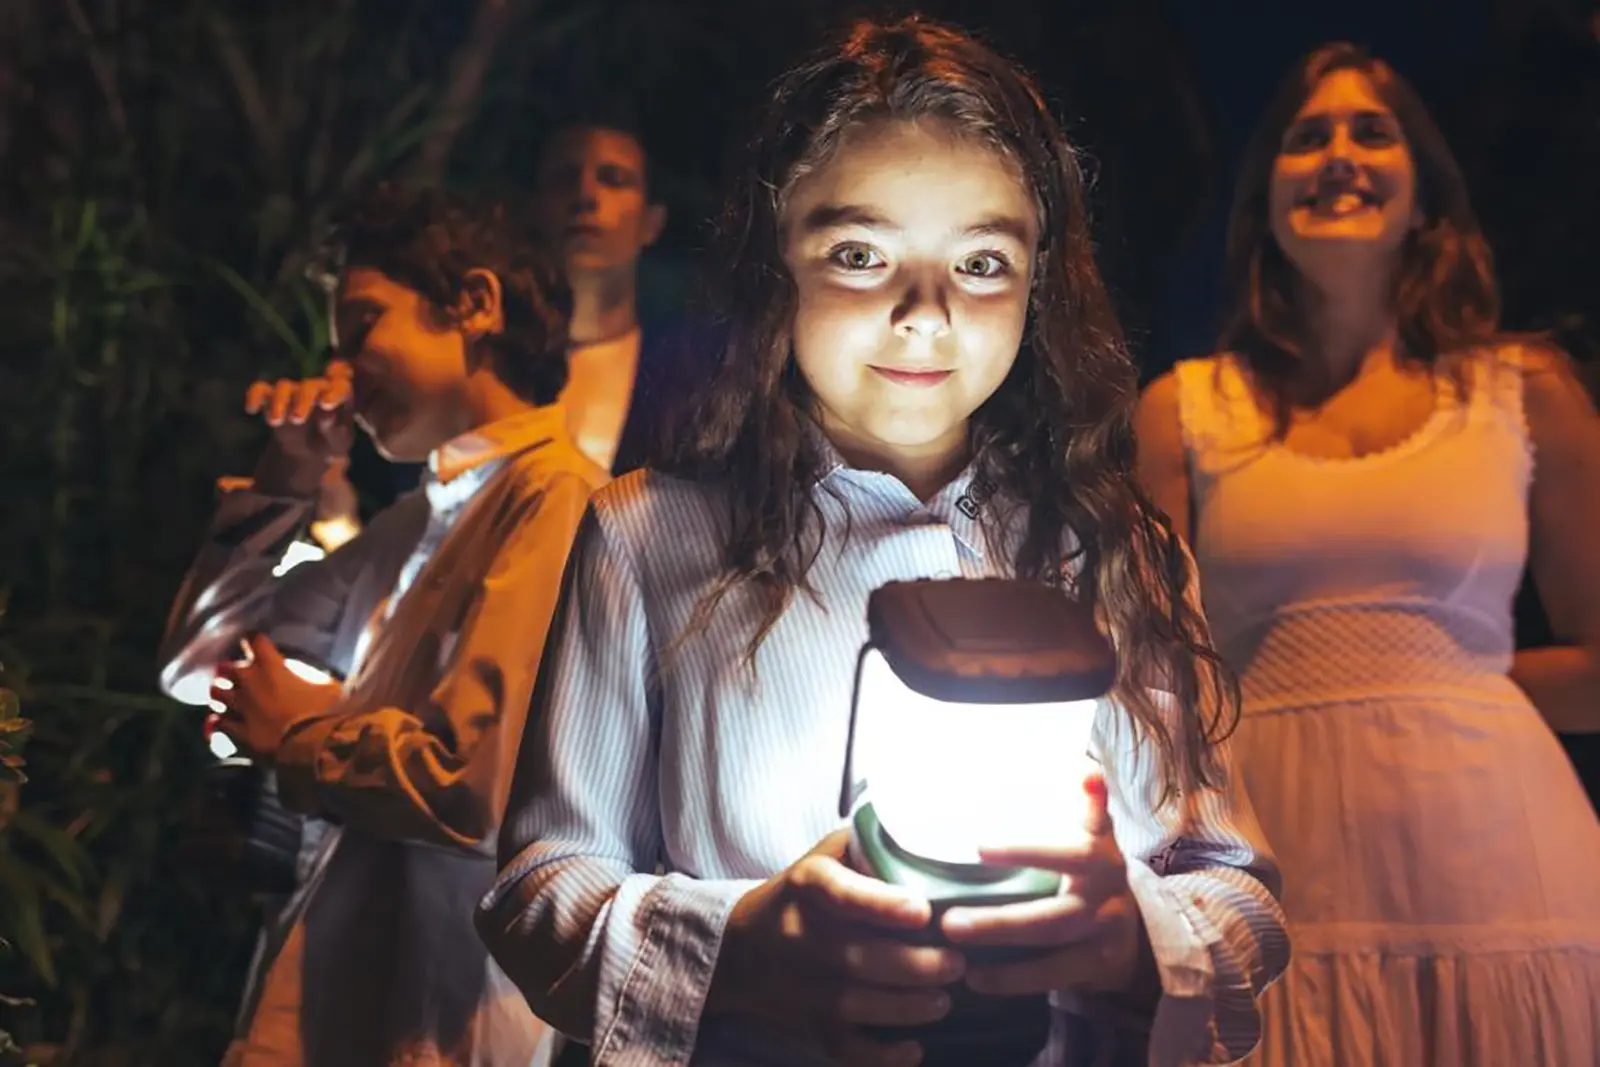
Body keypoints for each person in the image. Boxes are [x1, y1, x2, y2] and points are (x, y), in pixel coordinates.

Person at [478, 17, 1288, 1067]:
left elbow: (1240, 890)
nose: (925, 312)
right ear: (777, 259)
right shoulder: (649, 536)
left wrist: (1126, 936)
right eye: (859, 253)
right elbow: (540, 886)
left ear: (1042, 282)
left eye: (982, 260)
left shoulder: (1117, 549)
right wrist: (745, 942)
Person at [1135, 43, 1600, 1067]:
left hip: (1499, 861)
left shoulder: (1524, 391)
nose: (1338, 154)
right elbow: (1149, 677)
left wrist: (1441, 684)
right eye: (1308, 137)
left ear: (1424, 196)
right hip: (1274, 862)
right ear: (1265, 200)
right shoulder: (1182, 411)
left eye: (1370, 131)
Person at [158, 185, 606, 1067]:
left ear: (473, 304)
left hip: (427, 1024)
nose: (342, 370)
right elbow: (199, 666)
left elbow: (478, 784)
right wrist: (285, 477)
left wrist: (301, 734)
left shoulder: (554, 501)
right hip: (323, 1006)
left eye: (363, 326)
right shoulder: (422, 518)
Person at [531, 112, 698, 476]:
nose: (586, 196)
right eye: (565, 179)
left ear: (651, 222)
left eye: (613, 180)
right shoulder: (496, 368)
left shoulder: (695, 376)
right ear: (536, 208)